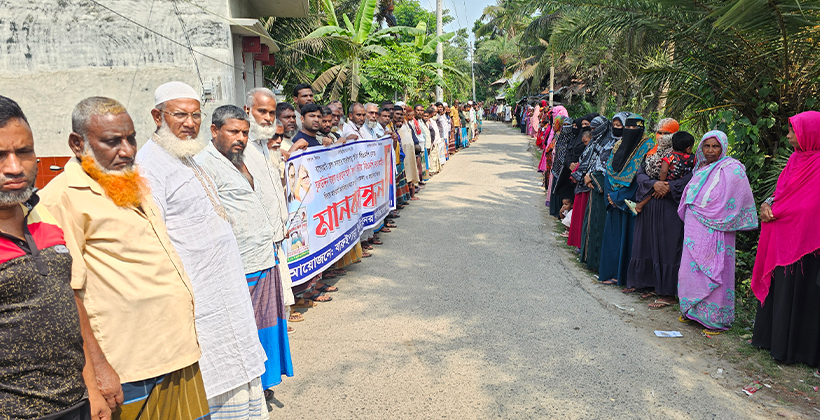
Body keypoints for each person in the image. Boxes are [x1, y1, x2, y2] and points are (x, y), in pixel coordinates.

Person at [40, 97, 208, 420]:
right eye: (112, 141)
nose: (128, 150)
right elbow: (67, 294)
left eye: (131, 138)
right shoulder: (61, 197)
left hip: (178, 353)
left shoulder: (130, 181)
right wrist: (96, 373)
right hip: (128, 370)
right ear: (78, 144)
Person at [135, 83, 269, 417]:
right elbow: (154, 237)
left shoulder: (186, 155)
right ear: (158, 116)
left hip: (228, 290)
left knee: (241, 373)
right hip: (201, 298)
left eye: (195, 114)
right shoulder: (150, 164)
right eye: (180, 114)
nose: (190, 122)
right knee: (216, 380)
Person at [0, 96, 106, 420]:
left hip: (76, 404)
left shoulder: (42, 213)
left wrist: (93, 384)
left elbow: (68, 300)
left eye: (24, 152)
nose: (15, 167)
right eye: (0, 155)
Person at [196, 105, 294, 394]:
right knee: (243, 328)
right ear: (214, 131)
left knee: (267, 326)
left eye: (245, 132)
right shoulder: (204, 165)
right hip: (239, 264)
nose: (240, 137)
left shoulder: (244, 159)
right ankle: (245, 385)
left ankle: (262, 382)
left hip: (264, 256)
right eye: (233, 132)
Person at [752, 110, 820, 373]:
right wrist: (767, 204)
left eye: (794, 131)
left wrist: (780, 211)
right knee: (783, 290)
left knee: (804, 293)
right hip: (785, 238)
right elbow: (781, 193)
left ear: (810, 134)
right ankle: (775, 343)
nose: (790, 136)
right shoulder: (795, 160)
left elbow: (811, 206)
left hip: (809, 246)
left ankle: (800, 350)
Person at [677, 130, 757, 333]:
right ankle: (692, 310)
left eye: (715, 146)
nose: (710, 150)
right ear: (701, 148)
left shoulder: (733, 168)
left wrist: (712, 212)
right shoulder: (701, 167)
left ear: (723, 147)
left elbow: (737, 200)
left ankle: (715, 319)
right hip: (695, 227)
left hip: (720, 227)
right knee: (691, 267)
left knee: (716, 268)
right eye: (707, 146)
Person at [243, 88, 305, 326]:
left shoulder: (264, 146)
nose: (267, 118)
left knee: (278, 296)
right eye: (262, 111)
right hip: (258, 243)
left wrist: (282, 221)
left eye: (271, 112)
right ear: (248, 111)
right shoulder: (242, 148)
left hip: (276, 236)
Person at [622, 128, 694, 308]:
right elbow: (640, 175)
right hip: (651, 205)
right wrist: (655, 184)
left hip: (670, 206)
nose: (661, 136)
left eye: (666, 132)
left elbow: (692, 178)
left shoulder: (690, 158)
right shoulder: (651, 154)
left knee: (667, 247)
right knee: (646, 244)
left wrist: (669, 186)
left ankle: (667, 293)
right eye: (658, 131)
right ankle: (647, 283)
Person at [598, 113, 651, 286]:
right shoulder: (619, 144)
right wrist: (610, 194)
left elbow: (641, 177)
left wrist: (619, 197)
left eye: (633, 128)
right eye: (626, 128)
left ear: (641, 129)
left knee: (629, 240)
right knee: (613, 238)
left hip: (629, 203)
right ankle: (611, 272)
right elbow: (609, 170)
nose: (629, 131)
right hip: (613, 199)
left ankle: (624, 277)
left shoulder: (647, 147)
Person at [580, 112, 627, 271]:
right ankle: (589, 259)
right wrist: (588, 175)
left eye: (619, 126)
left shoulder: (626, 146)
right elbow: (598, 161)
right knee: (592, 223)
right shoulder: (608, 142)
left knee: (602, 227)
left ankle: (599, 262)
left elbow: (616, 169)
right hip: (595, 184)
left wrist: (595, 178)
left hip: (609, 190)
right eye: (614, 125)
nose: (616, 128)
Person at [625, 129, 694, 215]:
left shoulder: (669, 156)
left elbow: (664, 171)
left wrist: (661, 183)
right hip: (663, 201)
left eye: (667, 133)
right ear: (688, 148)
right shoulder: (692, 158)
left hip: (671, 202)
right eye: (660, 133)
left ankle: (639, 205)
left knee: (652, 192)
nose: (662, 136)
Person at [567, 116, 607, 248]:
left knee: (585, 216)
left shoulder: (605, 144)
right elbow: (584, 159)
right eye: (592, 128)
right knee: (579, 215)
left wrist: (590, 177)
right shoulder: (592, 143)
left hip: (592, 184)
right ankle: (578, 243)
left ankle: (582, 244)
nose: (593, 131)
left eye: (595, 128)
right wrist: (578, 174)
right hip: (582, 182)